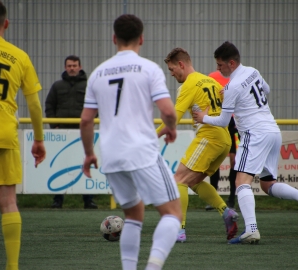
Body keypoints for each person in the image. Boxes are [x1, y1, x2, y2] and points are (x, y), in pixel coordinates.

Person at [80, 14, 182, 270]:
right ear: (142, 39)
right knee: (172, 213)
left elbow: (86, 121)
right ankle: (153, 267)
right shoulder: (148, 69)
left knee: (134, 215)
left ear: (114, 38)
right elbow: (168, 112)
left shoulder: (97, 73)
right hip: (141, 151)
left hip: (112, 155)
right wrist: (170, 128)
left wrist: (89, 153)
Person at [192, 41, 298, 244]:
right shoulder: (252, 71)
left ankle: (251, 230)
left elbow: (224, 121)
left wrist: (202, 118)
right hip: (272, 131)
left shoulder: (232, 85)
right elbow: (265, 90)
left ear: (231, 63)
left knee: (241, 182)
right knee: (268, 184)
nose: (218, 69)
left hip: (255, 133)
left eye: (220, 65)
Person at [0, 1, 46, 269]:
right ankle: (13, 266)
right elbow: (34, 104)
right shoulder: (20, 56)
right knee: (9, 202)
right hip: (6, 133)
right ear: (6, 24)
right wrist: (39, 140)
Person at [157, 47, 239, 243]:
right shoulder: (210, 80)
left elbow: (173, 117)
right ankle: (226, 212)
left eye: (171, 69)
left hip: (209, 136)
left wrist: (153, 137)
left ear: (181, 64)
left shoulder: (189, 84)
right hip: (224, 139)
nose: (171, 73)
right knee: (192, 182)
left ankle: (179, 230)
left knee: (178, 180)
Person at [45, 55, 97, 209]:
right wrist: (53, 126)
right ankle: (58, 199)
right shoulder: (57, 86)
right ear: (65, 67)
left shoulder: (88, 86)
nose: (72, 68)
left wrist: (92, 124)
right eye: (69, 66)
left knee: (86, 161)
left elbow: (98, 106)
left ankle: (89, 199)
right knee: (61, 163)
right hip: (61, 131)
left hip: (83, 132)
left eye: (74, 65)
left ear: (79, 67)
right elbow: (49, 105)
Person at [205, 70, 239, 210]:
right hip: (218, 122)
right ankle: (214, 199)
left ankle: (231, 199)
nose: (220, 65)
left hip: (233, 123)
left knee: (234, 161)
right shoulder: (212, 77)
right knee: (215, 160)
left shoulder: (237, 77)